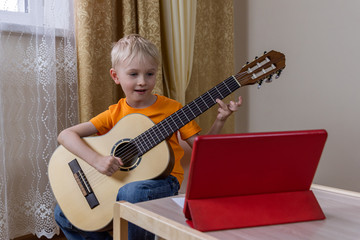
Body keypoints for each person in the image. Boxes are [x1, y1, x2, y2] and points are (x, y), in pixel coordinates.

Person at [54, 34, 242, 240]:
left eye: (150, 74)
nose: (142, 82)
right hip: (121, 183)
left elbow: (204, 153)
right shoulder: (114, 113)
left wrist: (220, 120)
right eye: (133, 74)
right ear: (116, 76)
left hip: (162, 182)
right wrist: (97, 160)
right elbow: (66, 135)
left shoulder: (173, 109)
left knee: (132, 193)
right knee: (62, 214)